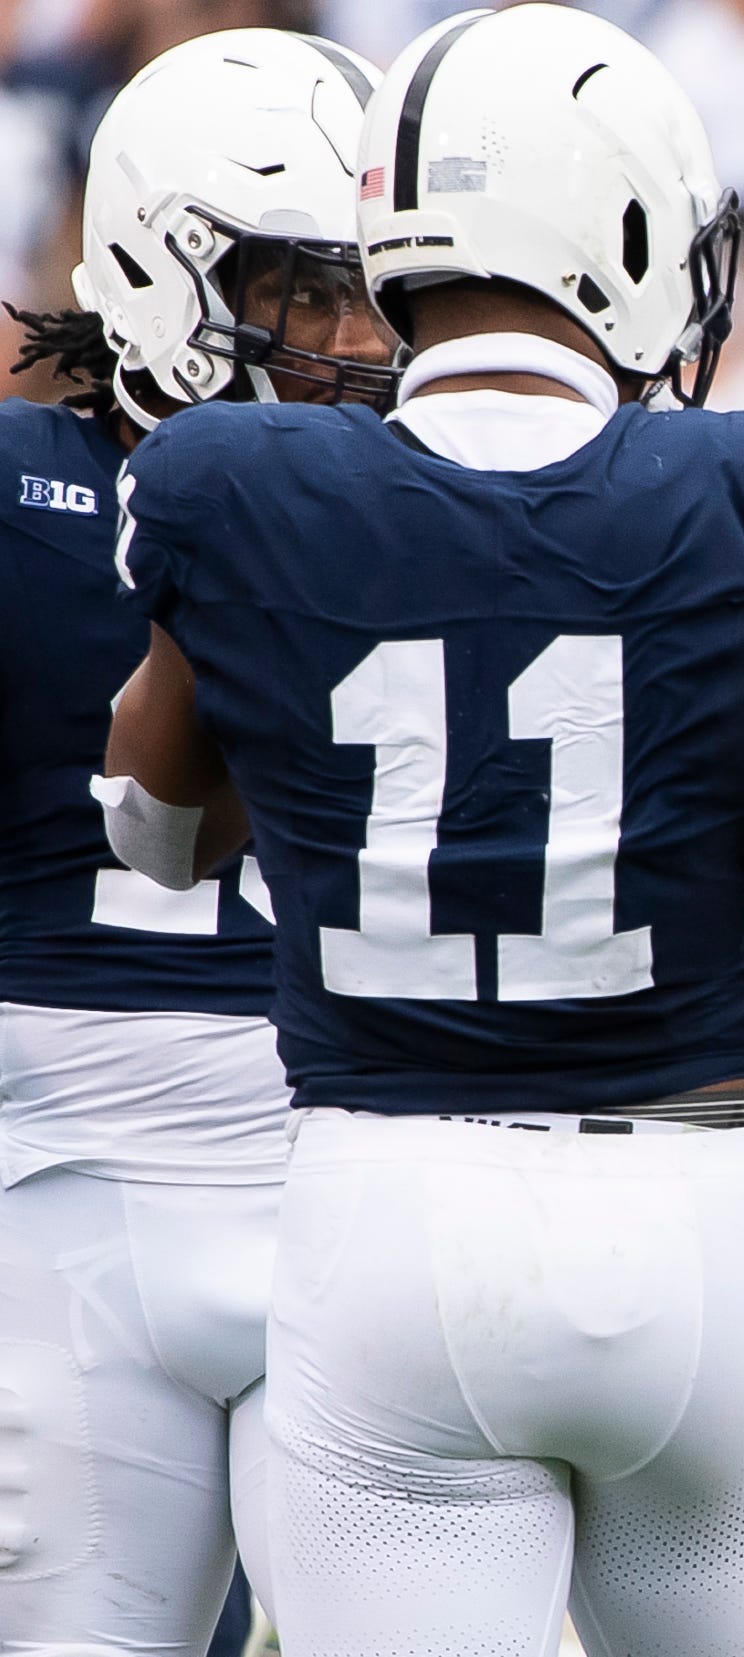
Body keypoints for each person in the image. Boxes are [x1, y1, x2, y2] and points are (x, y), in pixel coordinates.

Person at [95, 8, 744, 1652]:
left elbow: (151, 830)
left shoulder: (236, 482)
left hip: (387, 1211)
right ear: (620, 225)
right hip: (684, 1214)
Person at [0, 30, 395, 1650]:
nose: (359, 338)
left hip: (371, 1167)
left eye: (380, 285)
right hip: (67, 1182)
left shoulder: (438, 493)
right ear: (169, 266)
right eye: (304, 287)